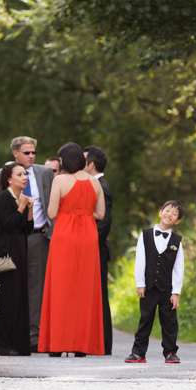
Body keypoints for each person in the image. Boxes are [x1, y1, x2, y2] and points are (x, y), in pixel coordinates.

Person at [0, 136, 55, 351]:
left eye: (34, 153)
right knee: (8, 292)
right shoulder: (1, 181)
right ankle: (6, 340)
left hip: (37, 236)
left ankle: (32, 338)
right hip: (8, 245)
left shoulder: (45, 173)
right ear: (15, 154)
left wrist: (36, 216)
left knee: (32, 289)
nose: (31, 156)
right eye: (27, 153)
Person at [38, 142, 105, 357]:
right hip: (88, 235)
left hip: (64, 234)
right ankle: (82, 346)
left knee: (60, 288)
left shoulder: (59, 180)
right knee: (85, 288)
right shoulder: (95, 182)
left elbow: (52, 212)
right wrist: (83, 214)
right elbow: (100, 214)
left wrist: (70, 213)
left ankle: (57, 345)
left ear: (65, 161)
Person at [125, 200, 186, 364]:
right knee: (145, 319)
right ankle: (138, 352)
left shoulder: (177, 241)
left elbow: (178, 268)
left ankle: (171, 352)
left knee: (170, 322)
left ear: (177, 221)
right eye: (167, 211)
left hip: (167, 290)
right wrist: (140, 283)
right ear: (160, 212)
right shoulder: (145, 235)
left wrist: (176, 292)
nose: (169, 215)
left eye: (174, 214)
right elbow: (140, 261)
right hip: (149, 287)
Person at [0, 162, 34, 356]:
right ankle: (3, 344)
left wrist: (29, 209)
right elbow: (9, 223)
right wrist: (21, 207)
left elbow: (27, 229)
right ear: (9, 179)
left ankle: (19, 343)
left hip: (19, 253)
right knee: (6, 300)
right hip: (4, 256)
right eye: (19, 174)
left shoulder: (19, 198)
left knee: (19, 297)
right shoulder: (5, 196)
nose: (24, 177)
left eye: (25, 174)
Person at [85, 145, 114, 355]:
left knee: (100, 296)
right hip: (93, 247)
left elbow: (104, 222)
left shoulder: (101, 185)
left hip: (96, 248)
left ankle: (103, 344)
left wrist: (89, 243)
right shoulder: (94, 184)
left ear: (91, 165)